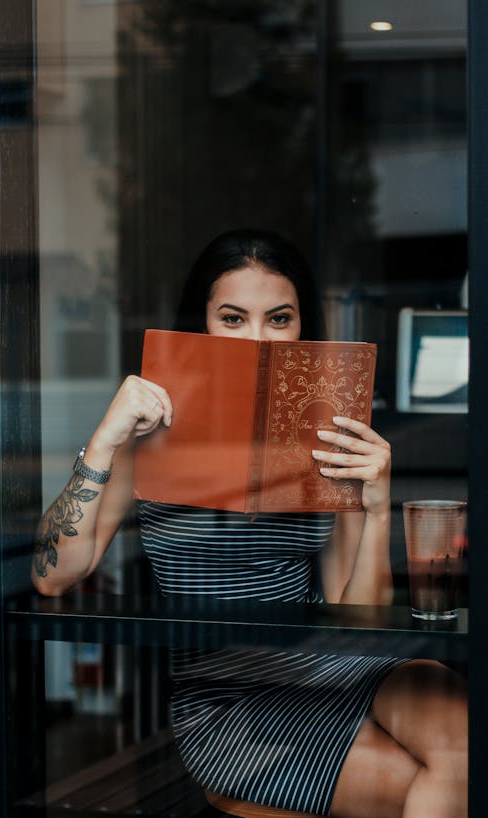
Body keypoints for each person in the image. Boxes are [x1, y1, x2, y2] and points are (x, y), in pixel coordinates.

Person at [33, 229, 467, 818]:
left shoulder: (324, 426)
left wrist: (375, 504)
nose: (256, 340)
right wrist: (105, 441)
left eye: (278, 319)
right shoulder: (149, 434)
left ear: (300, 328)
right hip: (232, 701)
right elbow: (53, 576)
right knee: (420, 785)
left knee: (467, 749)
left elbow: (359, 618)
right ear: (202, 324)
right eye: (232, 318)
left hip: (341, 664)